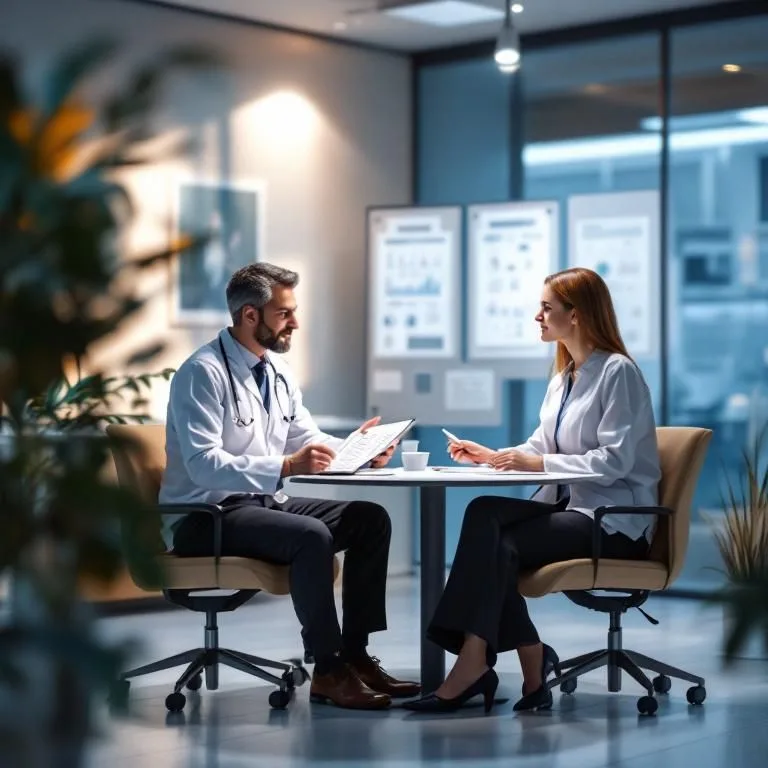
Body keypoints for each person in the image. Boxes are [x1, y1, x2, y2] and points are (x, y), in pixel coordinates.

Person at [160, 262, 420, 710]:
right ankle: (329, 670)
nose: (295, 322)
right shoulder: (202, 373)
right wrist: (283, 465)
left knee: (369, 519)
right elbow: (203, 466)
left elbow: (306, 439)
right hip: (204, 517)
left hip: (258, 504)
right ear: (249, 315)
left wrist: (359, 450)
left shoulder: (276, 371)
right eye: (284, 313)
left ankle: (356, 657)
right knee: (310, 536)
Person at [403, 267, 661, 714]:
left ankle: (484, 660)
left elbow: (614, 461)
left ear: (575, 314)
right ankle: (510, 657)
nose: (537, 316)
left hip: (613, 523)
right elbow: (542, 447)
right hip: (571, 511)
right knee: (484, 513)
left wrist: (538, 464)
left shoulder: (617, 372)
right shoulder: (564, 377)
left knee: (499, 543)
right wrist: (493, 456)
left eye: (546, 307)